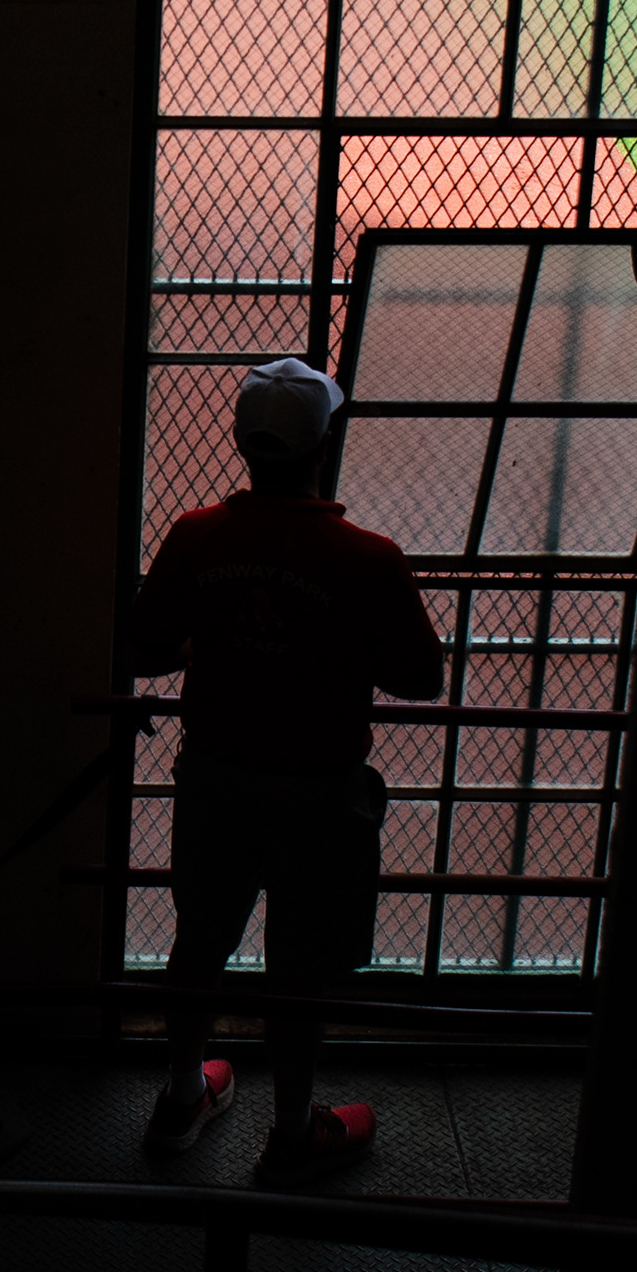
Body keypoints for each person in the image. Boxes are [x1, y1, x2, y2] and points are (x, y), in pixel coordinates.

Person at [121, 356, 445, 1187]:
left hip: (216, 775)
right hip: (319, 790)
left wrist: (211, 646)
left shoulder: (198, 536)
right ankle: (295, 1132)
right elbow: (420, 678)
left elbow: (145, 648)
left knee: (201, 938)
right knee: (298, 968)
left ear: (242, 442)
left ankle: (183, 1095)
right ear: (322, 444)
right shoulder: (369, 557)